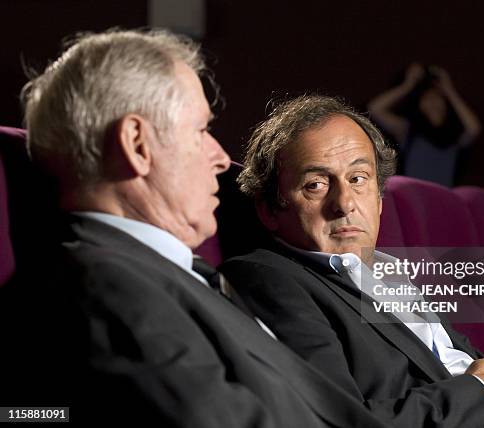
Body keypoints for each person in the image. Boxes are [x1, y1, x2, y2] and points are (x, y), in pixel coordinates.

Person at [0, 30, 391, 428]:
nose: (222, 159)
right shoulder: (105, 287)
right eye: (201, 131)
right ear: (137, 144)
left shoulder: (165, 275)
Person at [220, 94, 484, 427]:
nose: (344, 204)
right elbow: (337, 419)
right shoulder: (269, 277)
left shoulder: (386, 271)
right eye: (316, 185)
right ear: (271, 209)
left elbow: (460, 364)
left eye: (358, 179)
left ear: (378, 198)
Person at [368, 63, 481, 186]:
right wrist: (407, 86)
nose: (433, 102)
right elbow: (375, 109)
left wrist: (449, 89)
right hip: (414, 199)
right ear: (419, 106)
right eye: (427, 99)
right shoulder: (408, 131)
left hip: (444, 200)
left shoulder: (454, 139)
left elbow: (474, 128)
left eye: (438, 98)